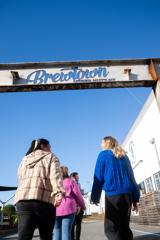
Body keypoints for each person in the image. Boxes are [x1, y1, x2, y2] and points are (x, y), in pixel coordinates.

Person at [91, 136, 140, 240]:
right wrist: (135, 198)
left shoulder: (103, 155)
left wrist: (95, 197)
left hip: (113, 195)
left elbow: (98, 177)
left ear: (106, 143)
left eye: (102, 143)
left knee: (111, 228)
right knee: (124, 226)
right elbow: (132, 178)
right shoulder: (124, 156)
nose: (101, 145)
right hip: (128, 195)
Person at [14, 138, 64, 240]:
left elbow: (20, 176)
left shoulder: (24, 159)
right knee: (46, 236)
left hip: (23, 200)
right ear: (42, 146)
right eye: (49, 147)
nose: (50, 150)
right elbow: (55, 176)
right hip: (43, 200)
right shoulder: (51, 157)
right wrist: (58, 192)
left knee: (24, 236)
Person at [54, 167, 85, 240]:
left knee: (56, 231)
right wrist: (83, 206)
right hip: (69, 209)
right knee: (66, 232)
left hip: (56, 208)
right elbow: (78, 195)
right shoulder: (71, 182)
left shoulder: (55, 183)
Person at [70, 172, 84, 240]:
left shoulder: (78, 184)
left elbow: (80, 196)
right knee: (72, 225)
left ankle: (77, 238)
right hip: (72, 207)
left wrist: (81, 206)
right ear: (73, 177)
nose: (78, 177)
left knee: (78, 224)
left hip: (79, 207)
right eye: (77, 176)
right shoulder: (69, 184)